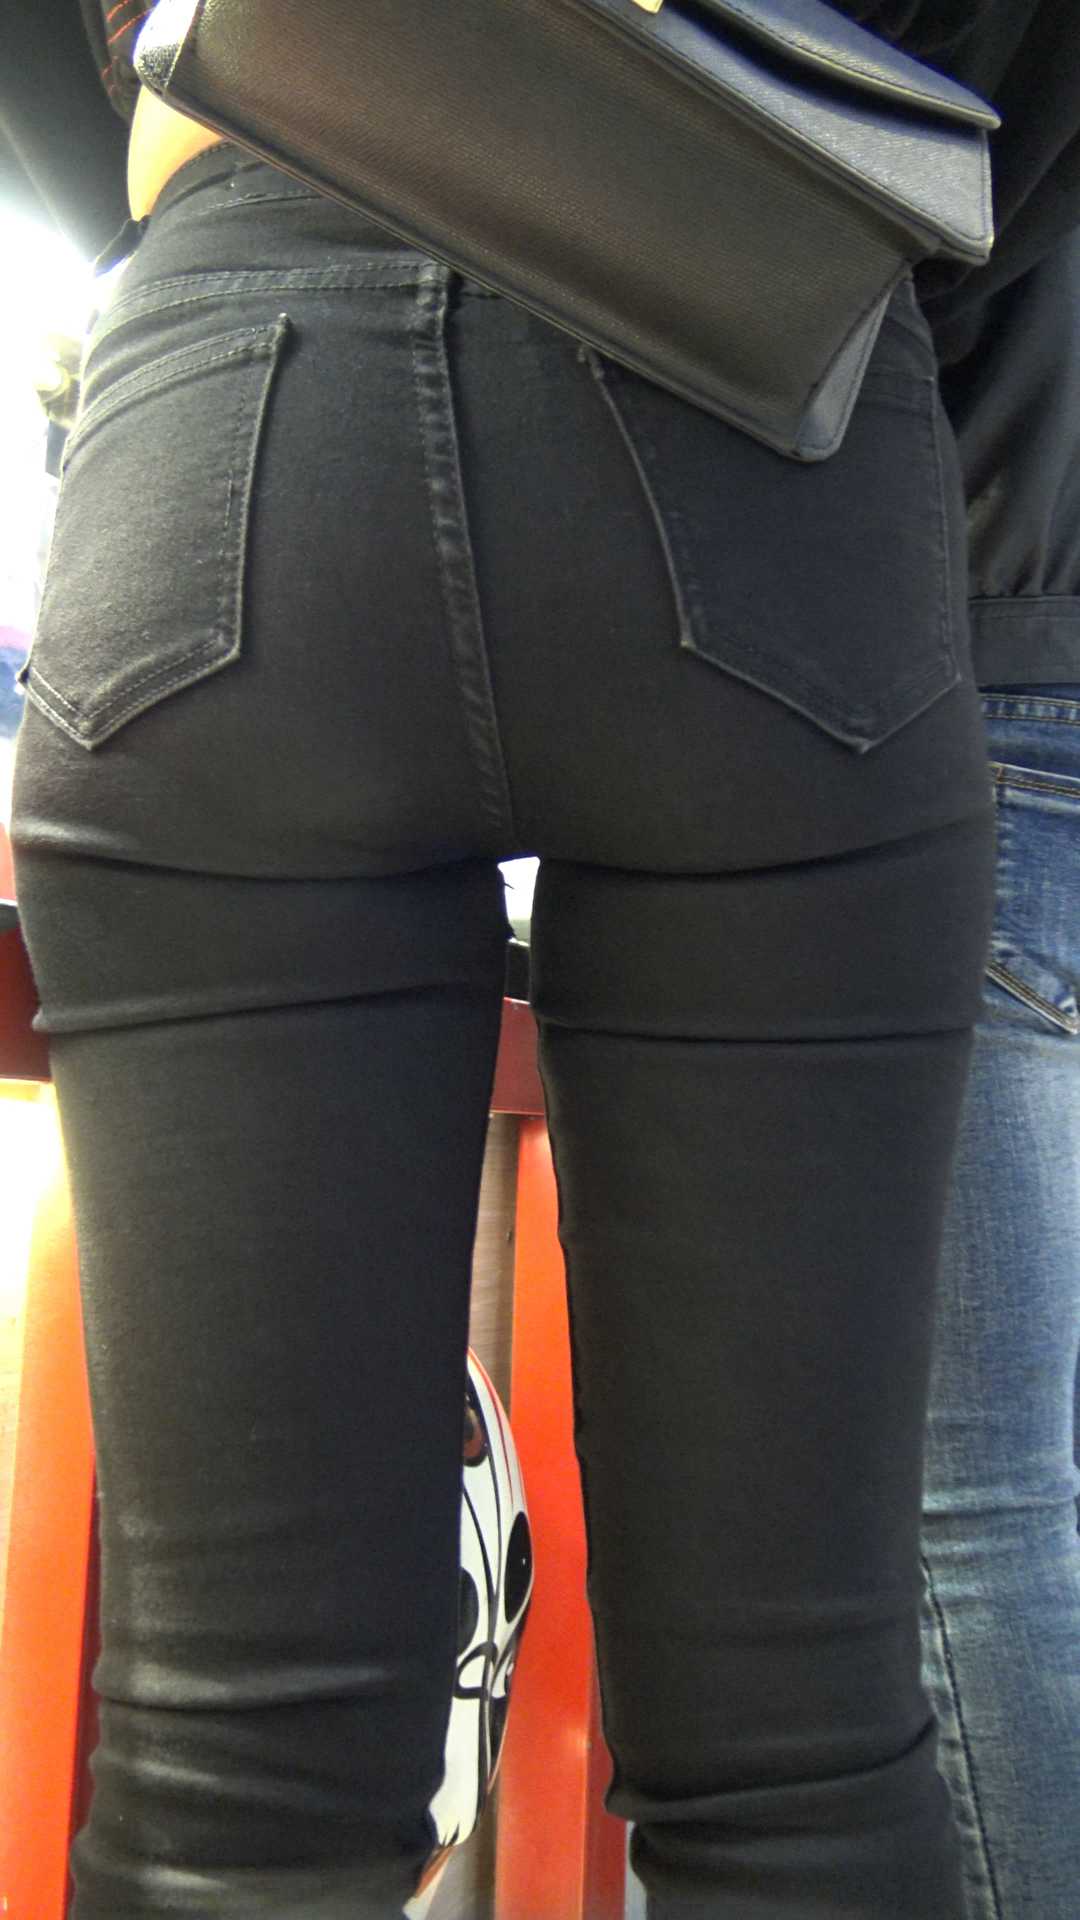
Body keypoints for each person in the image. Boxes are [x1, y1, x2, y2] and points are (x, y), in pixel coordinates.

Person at [3, 3, 1077, 1917]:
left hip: (245, 324)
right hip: (755, 349)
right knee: (801, 1759)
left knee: (228, 1771)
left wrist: (253, 104)